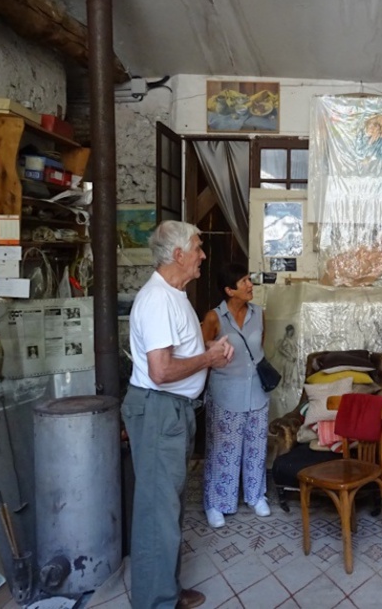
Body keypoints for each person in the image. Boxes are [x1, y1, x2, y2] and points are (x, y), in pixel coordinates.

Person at [122, 221, 233, 609]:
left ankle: (166, 588)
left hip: (171, 410)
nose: (203, 254)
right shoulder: (157, 300)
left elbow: (177, 352)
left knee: (168, 506)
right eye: (198, 248)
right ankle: (156, 601)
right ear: (178, 254)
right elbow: (161, 371)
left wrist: (207, 349)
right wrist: (208, 359)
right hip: (159, 410)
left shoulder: (174, 295)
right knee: (158, 511)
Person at [200, 263, 272, 529]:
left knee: (256, 447)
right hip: (225, 394)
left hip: (257, 393)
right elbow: (202, 354)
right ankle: (216, 503)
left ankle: (256, 495)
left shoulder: (259, 314)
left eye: (249, 279)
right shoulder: (214, 318)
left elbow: (259, 349)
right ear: (229, 290)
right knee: (223, 451)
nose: (250, 285)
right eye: (244, 281)